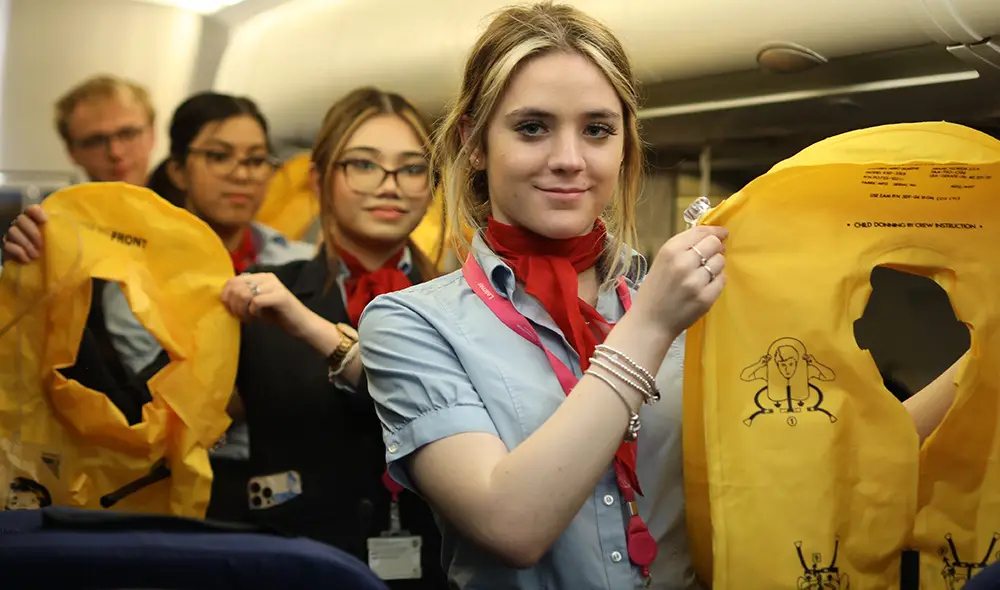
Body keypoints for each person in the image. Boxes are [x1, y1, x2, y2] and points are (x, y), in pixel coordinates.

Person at [351, 4, 962, 590]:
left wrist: (985, 360)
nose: (568, 159)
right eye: (532, 127)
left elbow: (837, 465)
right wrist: (651, 325)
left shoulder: (691, 303)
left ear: (623, 147)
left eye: (596, 130)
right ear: (475, 143)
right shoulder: (411, 323)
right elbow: (509, 526)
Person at [2, 92, 315, 523]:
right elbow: (143, 395)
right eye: (220, 156)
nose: (242, 175)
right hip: (165, 482)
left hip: (294, 487)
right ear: (178, 170)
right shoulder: (124, 266)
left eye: (258, 159)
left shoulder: (302, 263)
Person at [216, 87, 448, 588]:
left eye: (411, 168)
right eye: (363, 164)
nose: (390, 185)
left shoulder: (461, 303)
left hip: (434, 567)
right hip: (290, 566)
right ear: (320, 179)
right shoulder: (261, 295)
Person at [55, 74, 156, 186]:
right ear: (72, 152)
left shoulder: (177, 202)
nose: (115, 152)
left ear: (152, 135)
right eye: (96, 141)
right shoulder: (55, 204)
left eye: (128, 134)